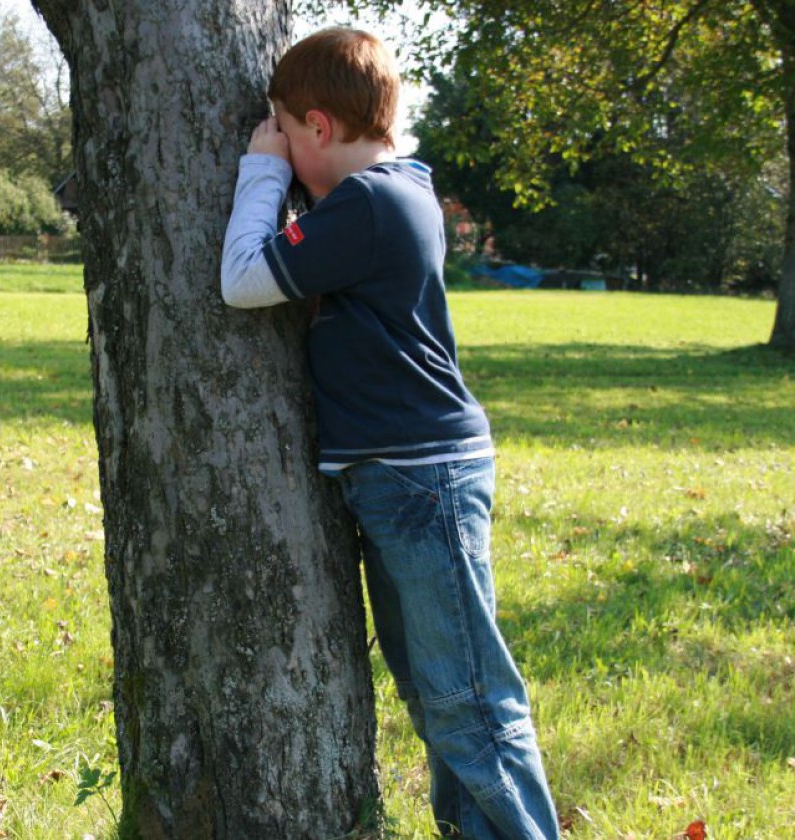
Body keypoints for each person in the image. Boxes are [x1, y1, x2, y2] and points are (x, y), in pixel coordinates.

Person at [219, 27, 560, 840]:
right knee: (439, 694)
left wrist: (261, 170)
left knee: (468, 700)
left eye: (286, 132)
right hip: (408, 474)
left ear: (319, 128)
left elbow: (240, 280)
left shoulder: (369, 204)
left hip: (419, 475)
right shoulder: (396, 192)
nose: (283, 149)